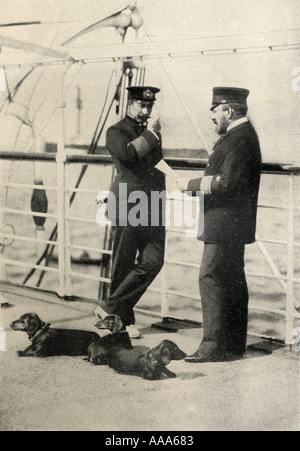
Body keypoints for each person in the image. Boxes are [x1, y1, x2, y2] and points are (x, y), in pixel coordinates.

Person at [180, 86, 262, 362]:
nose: (212, 118)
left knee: (210, 277)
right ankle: (234, 344)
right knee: (233, 279)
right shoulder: (242, 136)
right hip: (233, 222)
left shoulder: (238, 139)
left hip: (225, 222)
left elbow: (226, 183)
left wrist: (189, 185)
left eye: (214, 112)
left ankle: (212, 346)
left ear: (227, 111)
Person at [95, 86, 165, 338]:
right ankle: (121, 321)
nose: (146, 111)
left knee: (153, 261)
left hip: (153, 203)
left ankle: (111, 307)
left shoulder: (151, 133)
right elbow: (127, 154)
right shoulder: (116, 131)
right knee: (123, 263)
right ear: (129, 104)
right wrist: (150, 134)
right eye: (141, 105)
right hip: (127, 201)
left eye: (149, 106)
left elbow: (157, 165)